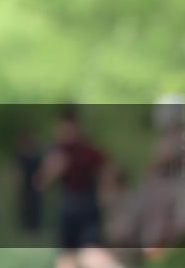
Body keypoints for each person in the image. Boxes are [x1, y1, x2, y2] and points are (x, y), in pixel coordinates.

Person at [36, 109, 119, 268]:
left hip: (87, 205)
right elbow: (41, 182)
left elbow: (109, 170)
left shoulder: (87, 149)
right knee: (66, 258)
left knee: (91, 252)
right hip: (67, 207)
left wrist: (107, 192)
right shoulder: (56, 150)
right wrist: (53, 170)